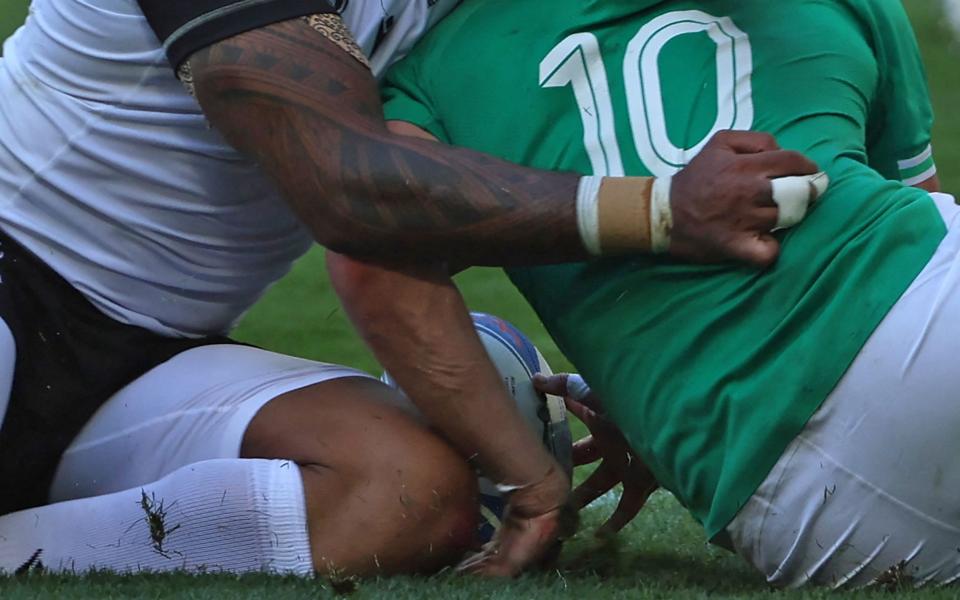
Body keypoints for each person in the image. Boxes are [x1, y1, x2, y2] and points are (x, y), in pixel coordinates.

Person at [0, 0, 821, 577]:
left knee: (408, 496)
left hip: (151, 356)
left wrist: (647, 386)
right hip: (13, 272)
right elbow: (346, 188)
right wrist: (660, 211)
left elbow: (537, 135)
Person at [370, 0, 960, 586]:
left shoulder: (432, 70)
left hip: (796, 501)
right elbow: (918, 202)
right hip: (931, 312)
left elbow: (375, 267)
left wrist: (533, 479)